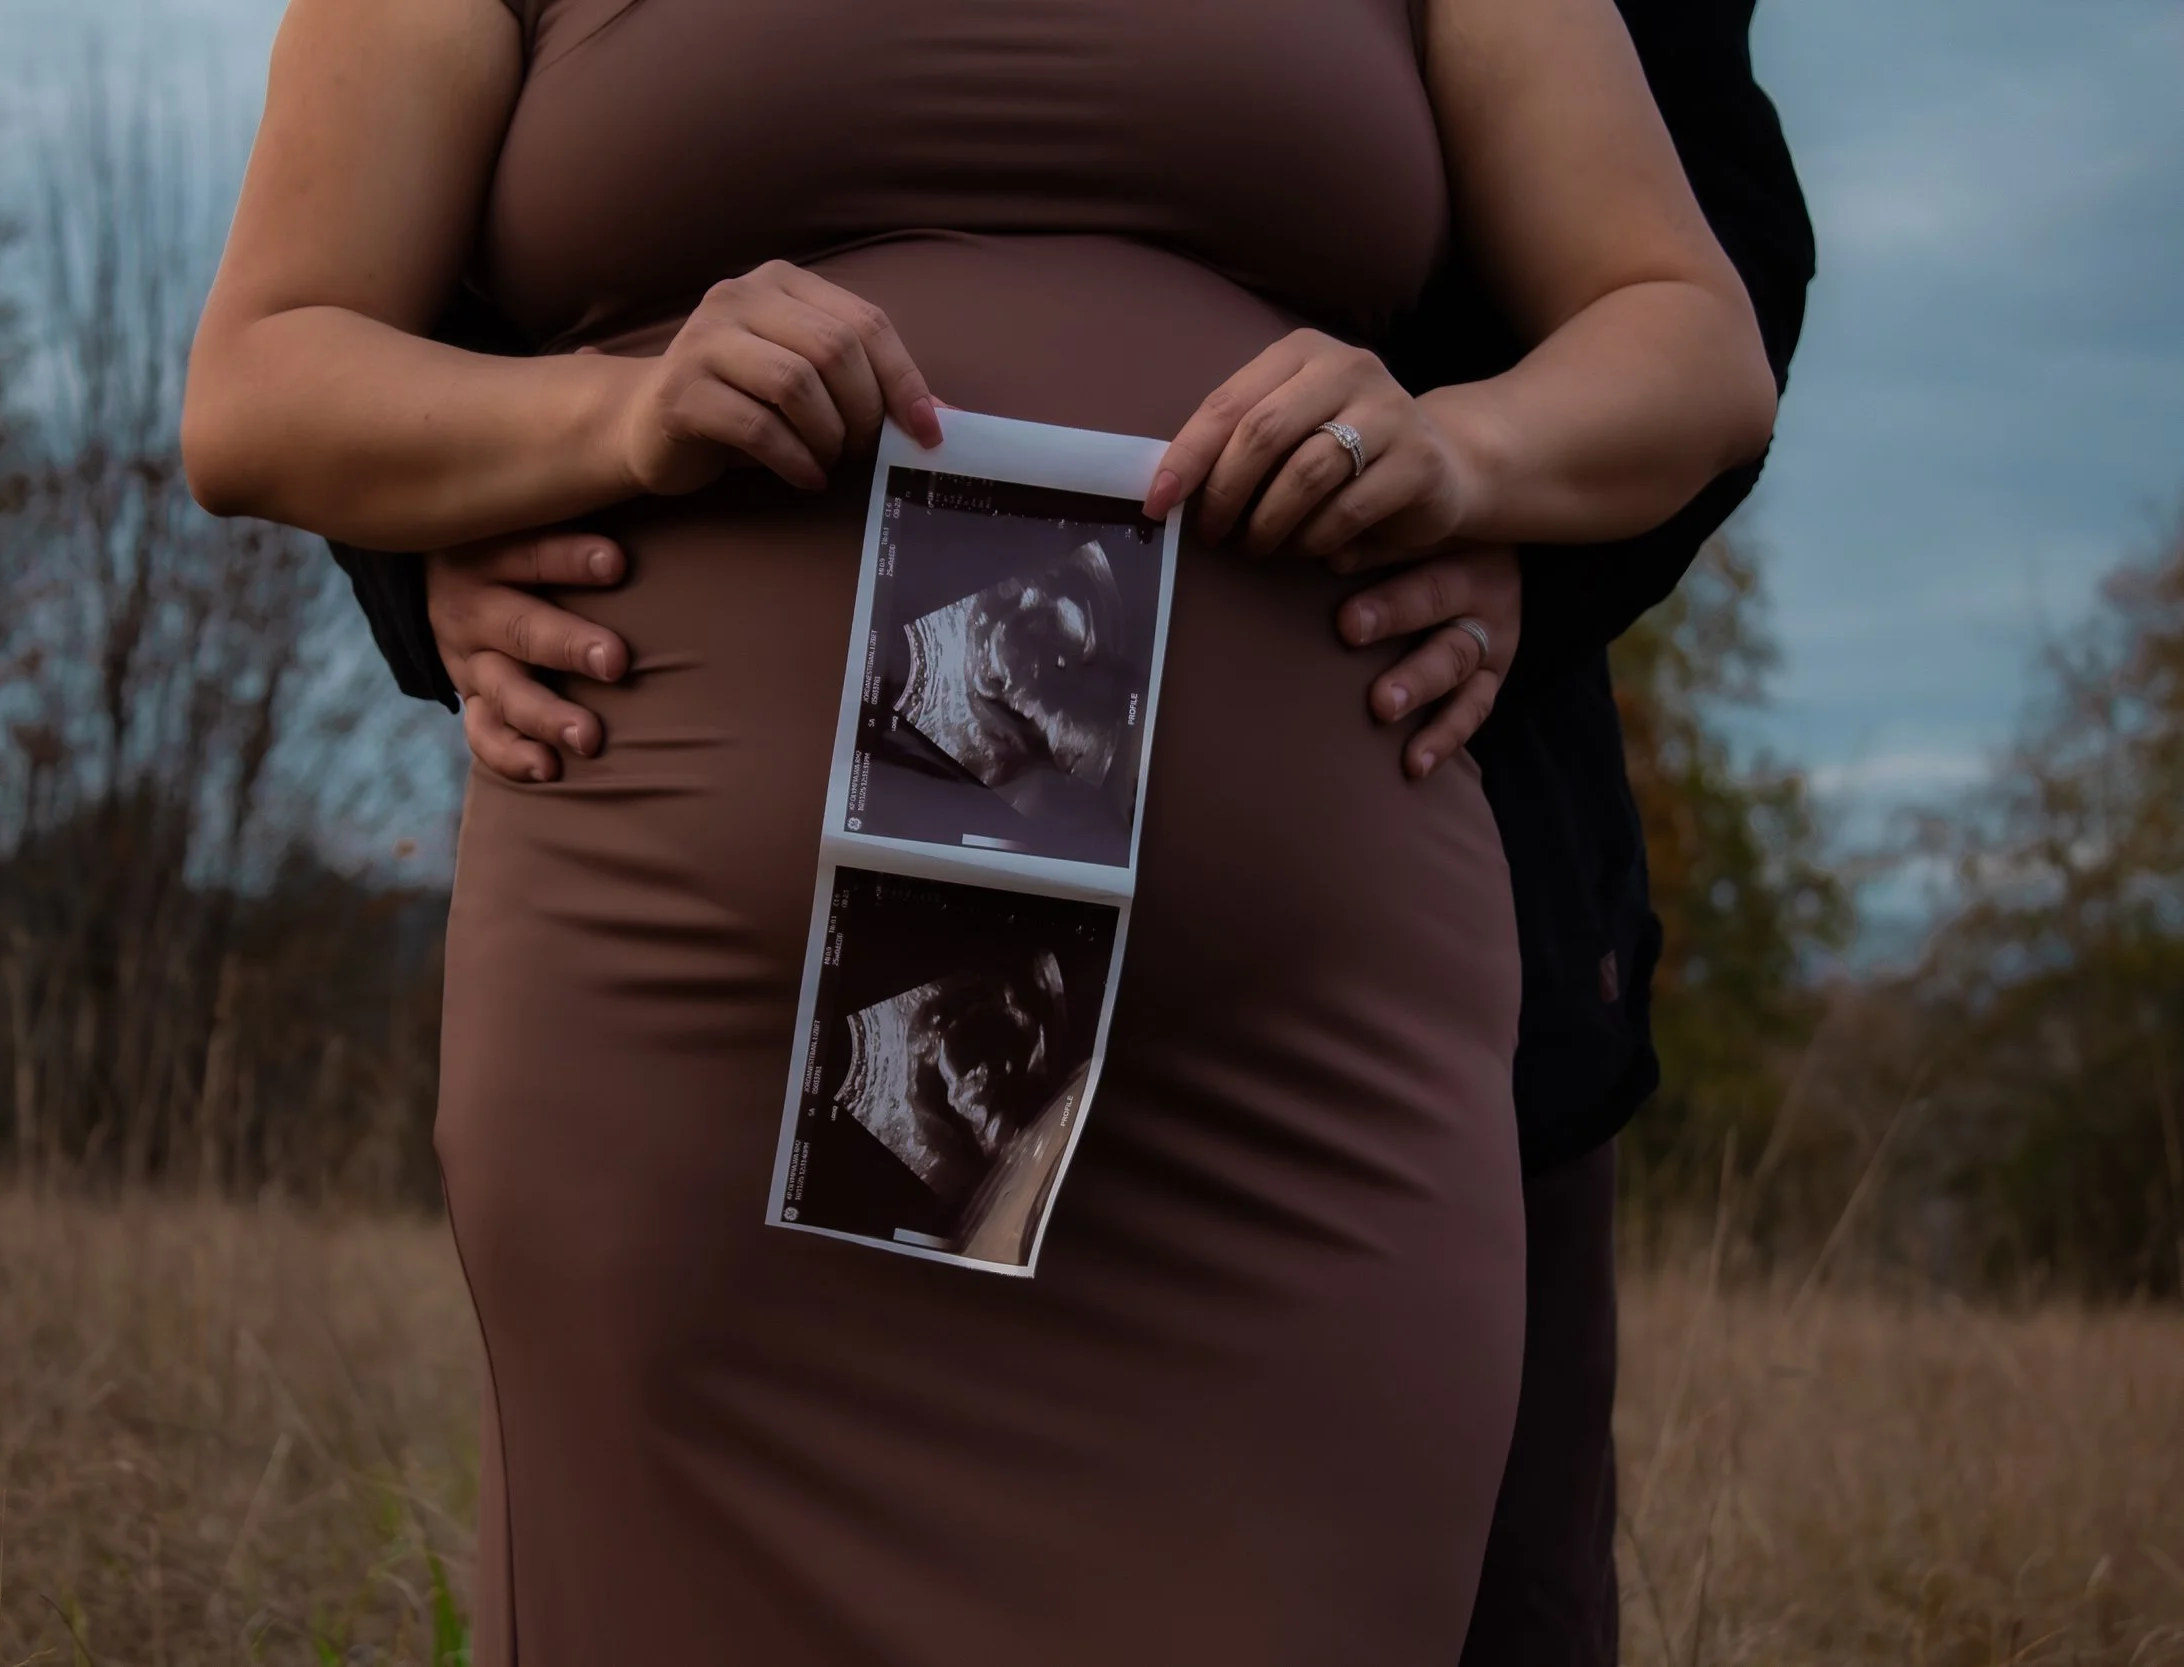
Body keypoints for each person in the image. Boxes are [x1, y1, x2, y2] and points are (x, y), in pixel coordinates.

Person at [182, 0, 1778, 1660]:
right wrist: (599, 417)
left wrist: (1471, 452)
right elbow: (260, 378)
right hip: (684, 1043)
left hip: (1292, 1081)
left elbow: (1686, 328)